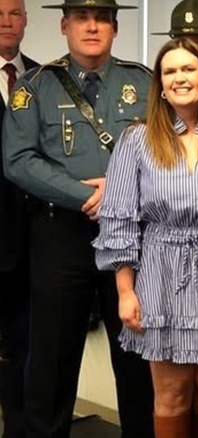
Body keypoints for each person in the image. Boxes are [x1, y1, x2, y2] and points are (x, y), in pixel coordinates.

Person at [1, 0, 155, 436]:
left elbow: (169, 152)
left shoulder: (143, 83)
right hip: (59, 237)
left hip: (130, 238)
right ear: (65, 25)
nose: (92, 26)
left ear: (115, 27)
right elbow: (18, 160)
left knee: (137, 361)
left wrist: (122, 193)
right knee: (50, 363)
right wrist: (86, 195)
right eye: (82, 19)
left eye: (102, 18)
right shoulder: (34, 87)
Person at [93, 37, 198, 438]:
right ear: (160, 85)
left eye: (189, 68)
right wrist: (125, 291)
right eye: (170, 71)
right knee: (170, 394)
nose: (180, 78)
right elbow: (118, 218)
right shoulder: (137, 139)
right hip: (159, 274)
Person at [0, 1, 38, 436]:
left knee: (26, 351)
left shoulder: (44, 78)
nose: (7, 21)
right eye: (0, 12)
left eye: (15, 12)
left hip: (33, 242)